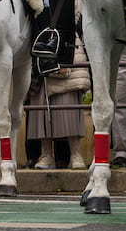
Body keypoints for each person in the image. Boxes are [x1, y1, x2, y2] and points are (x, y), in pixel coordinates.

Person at [28, 38, 90, 170]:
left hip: (68, 47)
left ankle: (76, 154)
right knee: (42, 107)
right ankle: (46, 154)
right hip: (40, 46)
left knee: (70, 107)